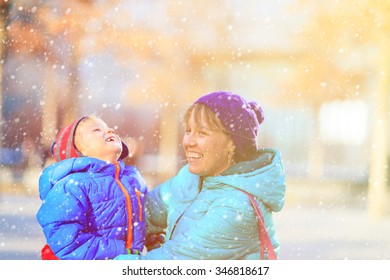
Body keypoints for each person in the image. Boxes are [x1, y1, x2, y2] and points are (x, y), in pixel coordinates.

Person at [115, 91, 286, 260]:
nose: (189, 141)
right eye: (188, 131)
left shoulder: (236, 207)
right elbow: (139, 214)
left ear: (233, 144)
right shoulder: (191, 178)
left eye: (202, 133)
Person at [36, 115, 148, 260]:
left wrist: (149, 234)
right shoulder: (71, 186)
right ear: (78, 152)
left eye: (108, 128)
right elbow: (68, 241)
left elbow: (142, 214)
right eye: (97, 130)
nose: (110, 130)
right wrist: (120, 252)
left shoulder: (132, 179)